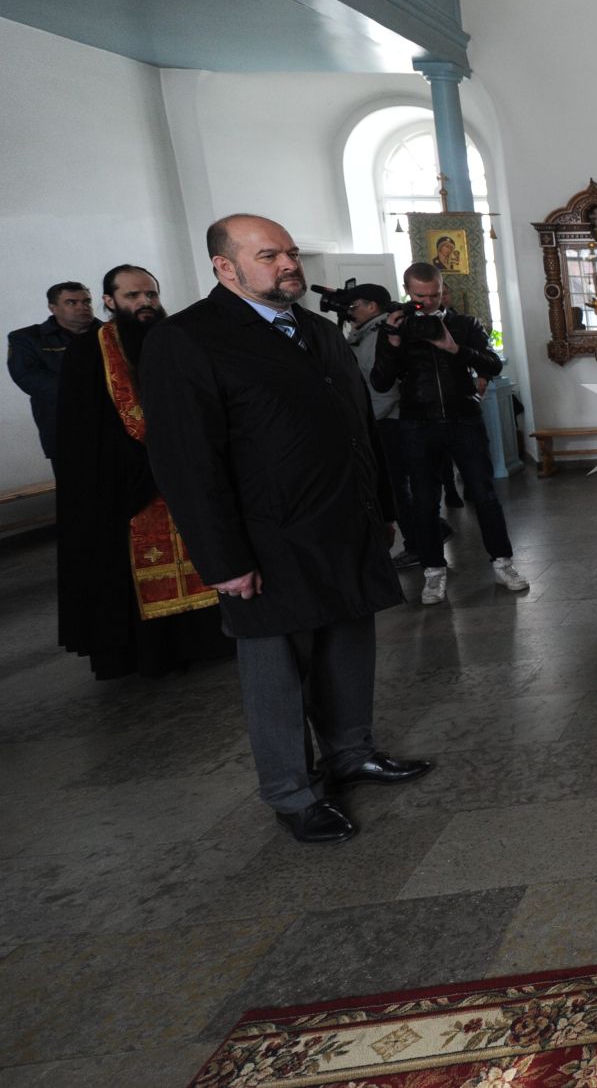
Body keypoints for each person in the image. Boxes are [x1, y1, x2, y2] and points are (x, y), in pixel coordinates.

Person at [140, 214, 430, 844]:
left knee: (349, 644)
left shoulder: (317, 331)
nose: (288, 265)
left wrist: (380, 509)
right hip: (266, 538)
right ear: (225, 267)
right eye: (268, 255)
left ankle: (351, 751)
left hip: (342, 522)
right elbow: (187, 460)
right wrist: (222, 559)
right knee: (276, 668)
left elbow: (358, 427)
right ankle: (292, 792)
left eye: (290, 253)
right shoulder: (188, 339)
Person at [55, 265, 232, 680]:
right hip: (126, 481)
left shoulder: (176, 341)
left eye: (150, 295)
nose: (145, 304)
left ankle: (208, 639)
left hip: (186, 473)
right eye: (133, 297)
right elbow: (84, 434)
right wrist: (141, 467)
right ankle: (156, 653)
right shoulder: (87, 353)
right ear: (110, 302)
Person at [371, 263, 528, 605]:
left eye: (434, 294)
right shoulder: (396, 328)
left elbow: (491, 365)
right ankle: (433, 573)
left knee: (484, 495)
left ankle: (503, 564)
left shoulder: (464, 324)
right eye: (419, 296)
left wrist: (453, 347)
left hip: (463, 419)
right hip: (417, 423)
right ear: (407, 291)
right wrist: (394, 341)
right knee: (424, 500)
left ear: (442, 289)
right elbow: (381, 382)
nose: (427, 303)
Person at [342, 283, 425, 567]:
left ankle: (419, 544)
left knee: (398, 487)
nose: (350, 313)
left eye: (355, 307)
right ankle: (422, 538)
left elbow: (383, 389)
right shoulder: (365, 334)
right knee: (400, 486)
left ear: (373, 307)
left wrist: (368, 420)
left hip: (390, 421)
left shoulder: (377, 336)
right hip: (388, 420)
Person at [8, 281, 97, 459]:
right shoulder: (28, 338)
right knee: (76, 482)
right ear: (53, 308)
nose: (82, 307)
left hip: (114, 423)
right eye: (71, 302)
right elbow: (28, 377)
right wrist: (89, 392)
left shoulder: (110, 333)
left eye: (86, 301)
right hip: (63, 423)